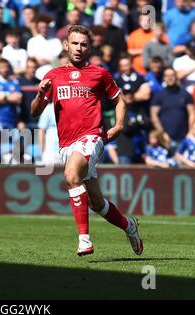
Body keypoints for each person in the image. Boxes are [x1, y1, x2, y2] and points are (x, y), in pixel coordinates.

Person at [30, 25, 143, 257]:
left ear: (89, 47)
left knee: (71, 176)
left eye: (83, 44)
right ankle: (129, 226)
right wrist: (41, 94)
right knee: (97, 203)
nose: (79, 48)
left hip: (92, 136)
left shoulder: (99, 73)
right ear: (66, 45)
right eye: (75, 43)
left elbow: (119, 100)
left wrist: (119, 125)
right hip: (66, 144)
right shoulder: (53, 75)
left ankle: (84, 239)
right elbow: (34, 112)